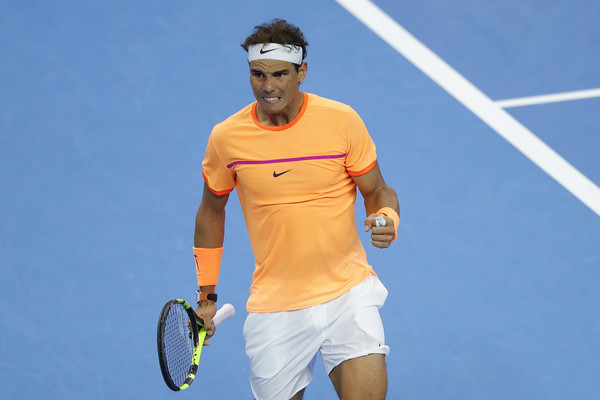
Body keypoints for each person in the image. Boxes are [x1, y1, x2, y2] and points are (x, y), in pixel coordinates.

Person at [193, 19, 399, 400]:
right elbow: (211, 212)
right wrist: (206, 298)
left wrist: (388, 218)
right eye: (258, 74)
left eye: (280, 74)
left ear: (302, 72)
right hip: (277, 307)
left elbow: (378, 190)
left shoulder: (341, 121)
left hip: (347, 294)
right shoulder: (227, 138)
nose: (268, 86)